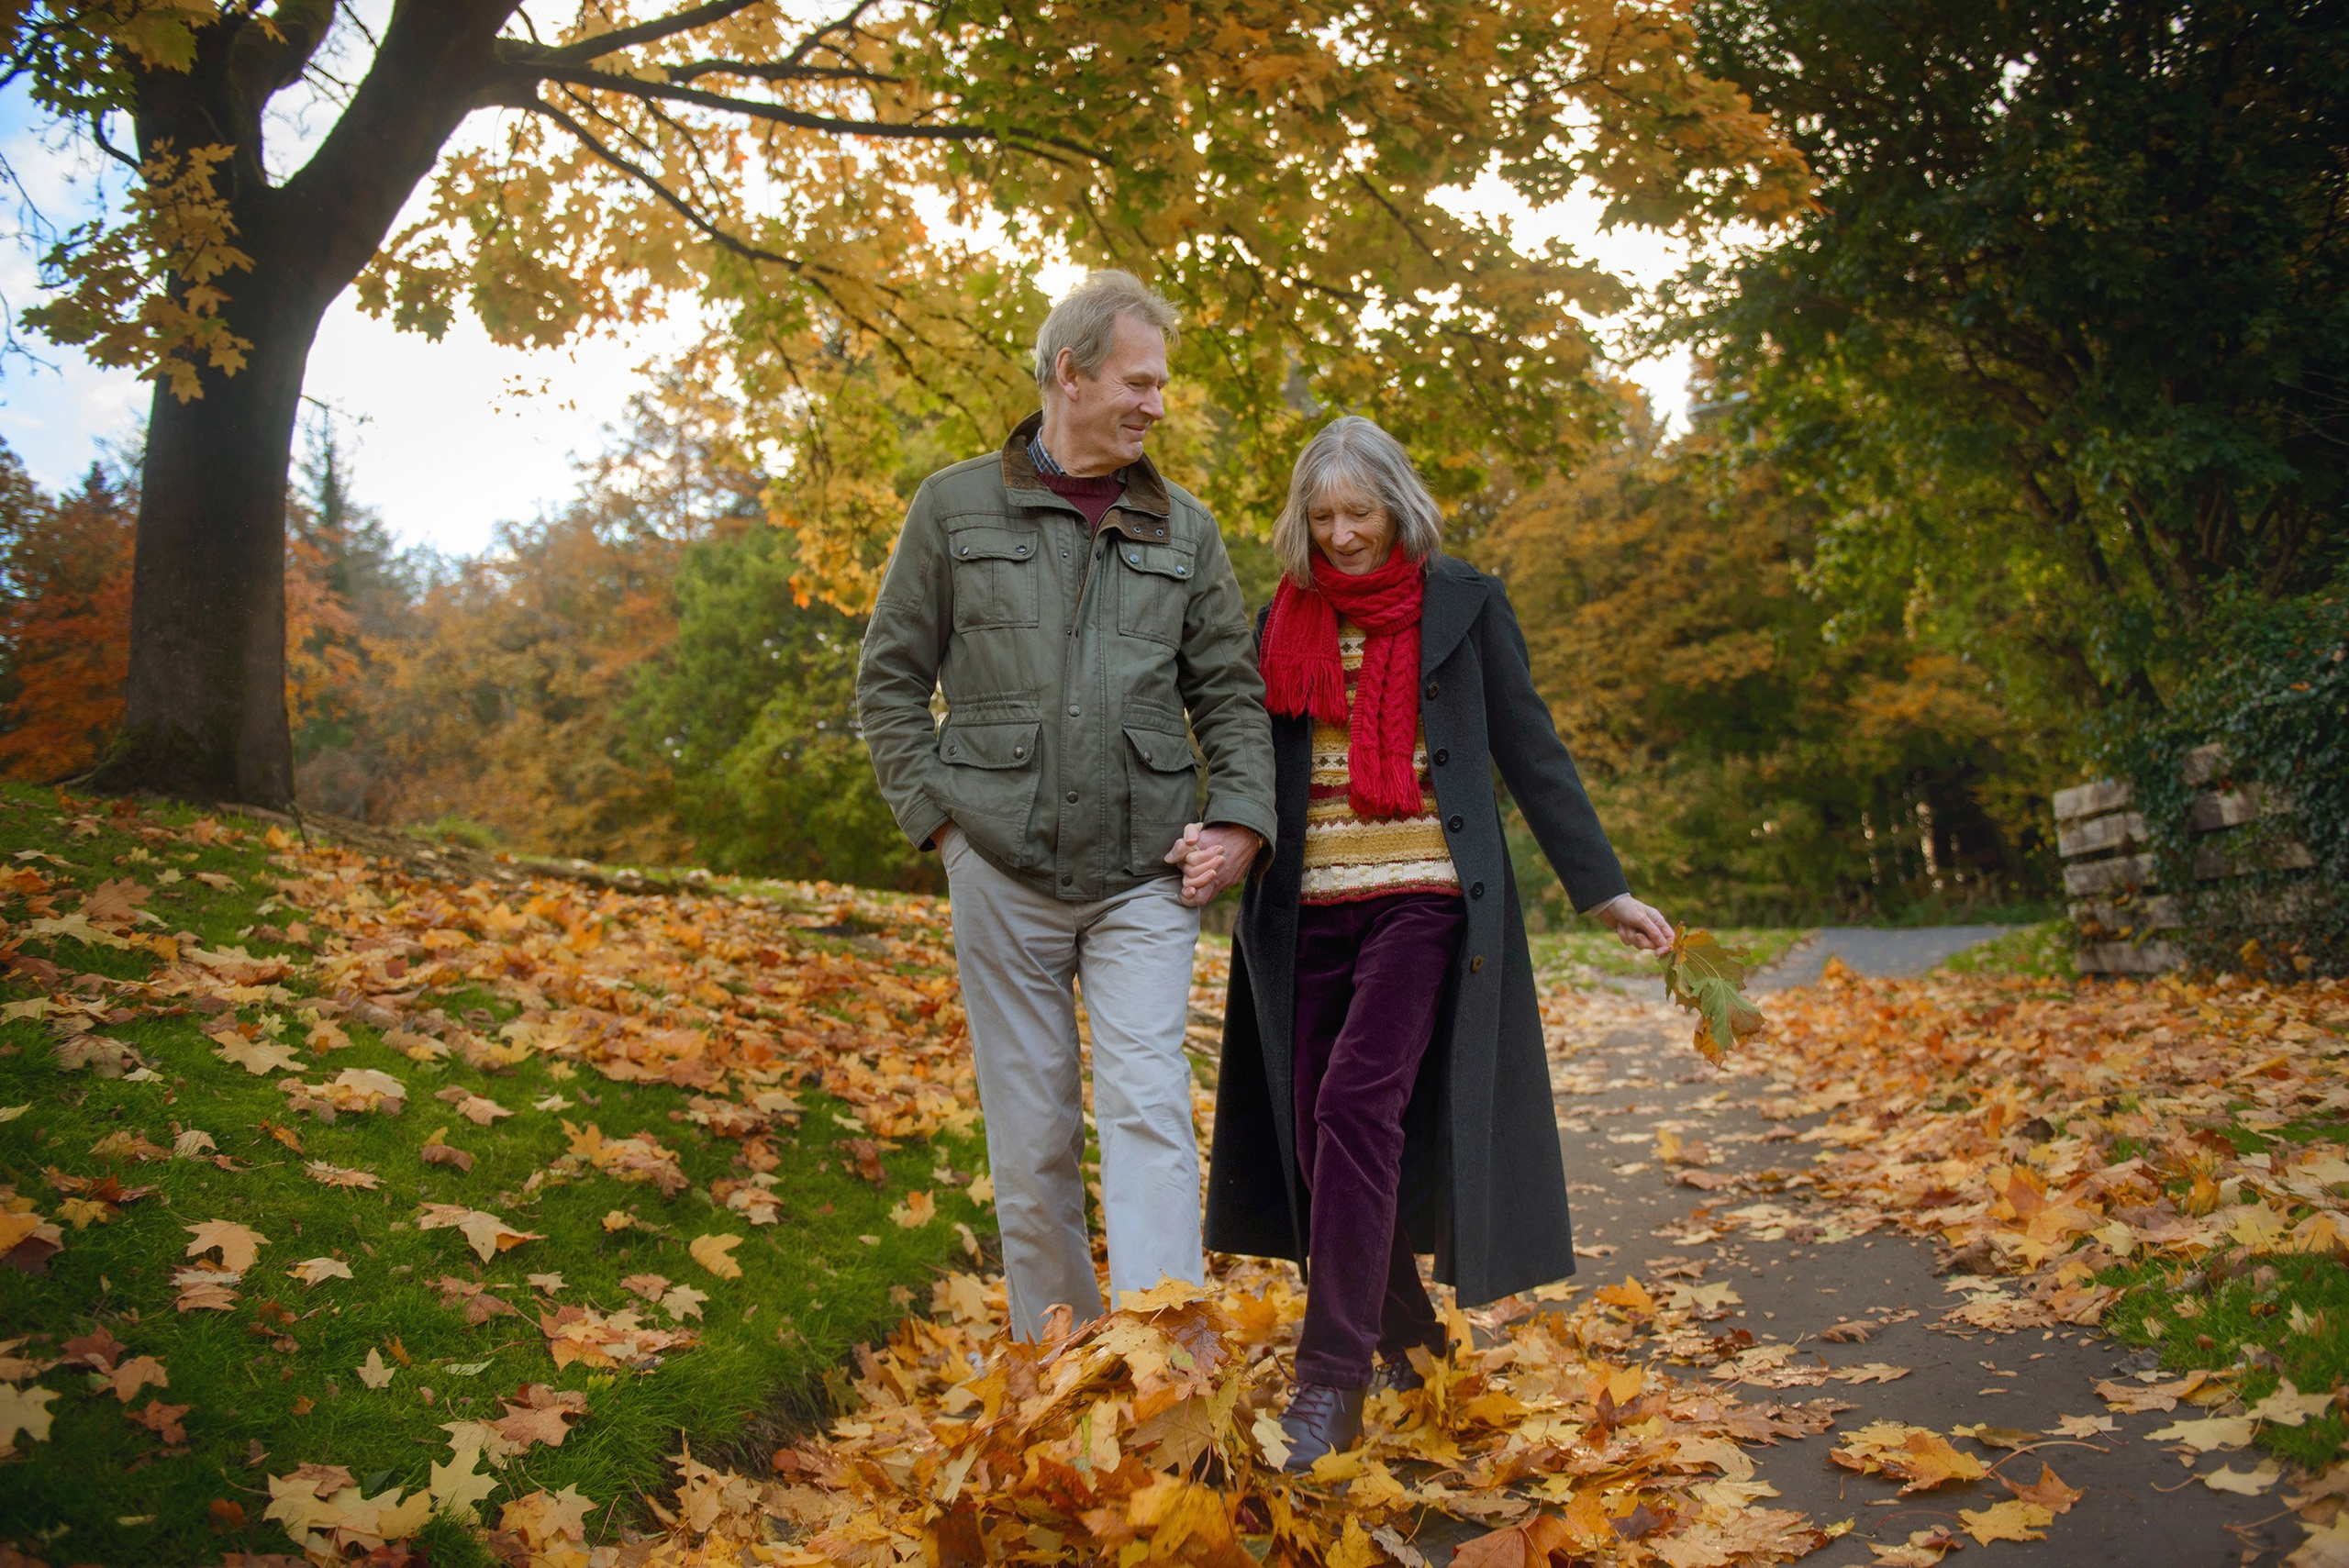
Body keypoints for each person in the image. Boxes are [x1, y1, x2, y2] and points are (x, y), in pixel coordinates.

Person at [1203, 416, 1673, 1470]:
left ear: (1395, 505)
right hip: (1302, 905)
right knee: (1318, 1138)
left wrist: (1603, 890)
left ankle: (1329, 1381)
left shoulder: (1462, 602)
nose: (1342, 536)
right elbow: (1237, 742)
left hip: (1424, 895)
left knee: (1351, 1105)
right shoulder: (1281, 617)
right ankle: (1411, 1337)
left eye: (1357, 513)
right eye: (1321, 518)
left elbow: (1531, 750)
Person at [857, 271, 1277, 1340]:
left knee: (1146, 1106)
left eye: (1161, 386)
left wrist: (1238, 819)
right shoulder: (952, 509)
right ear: (1069, 374)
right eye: (1137, 382)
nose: (1154, 403)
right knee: (1033, 1130)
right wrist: (941, 826)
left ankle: (1163, 1368)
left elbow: (1230, 692)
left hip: (1146, 868)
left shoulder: (1188, 529)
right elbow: (890, 679)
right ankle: (1059, 1362)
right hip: (998, 864)